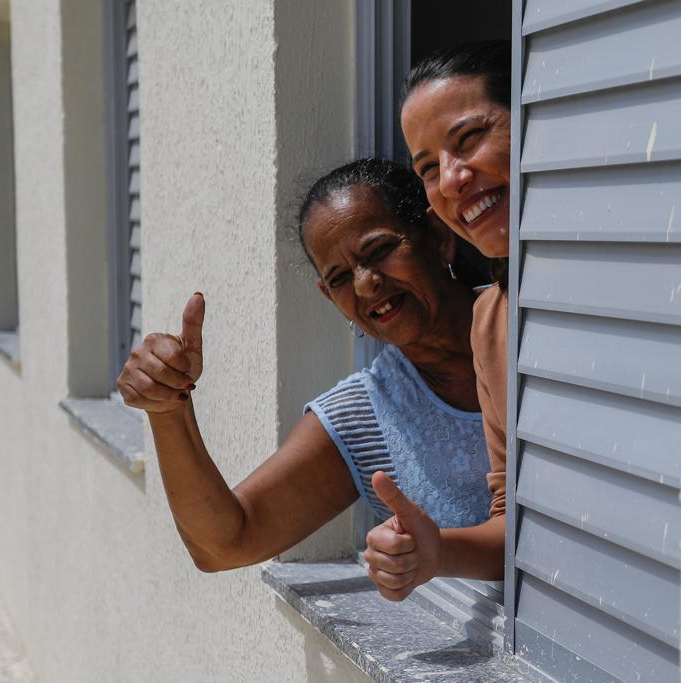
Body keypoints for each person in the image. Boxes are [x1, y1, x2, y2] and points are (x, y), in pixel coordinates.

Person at [117, 159, 504, 600]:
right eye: (339, 278)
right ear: (328, 296)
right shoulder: (365, 416)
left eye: (378, 251)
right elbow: (223, 545)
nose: (365, 284)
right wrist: (168, 410)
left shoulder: (532, 332)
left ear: (437, 237)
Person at [359, 41, 514, 598]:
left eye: (469, 138)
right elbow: (513, 522)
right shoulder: (491, 322)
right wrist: (436, 552)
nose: (451, 180)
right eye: (428, 169)